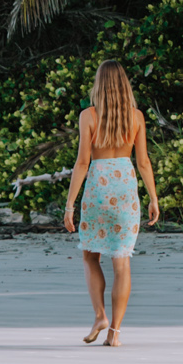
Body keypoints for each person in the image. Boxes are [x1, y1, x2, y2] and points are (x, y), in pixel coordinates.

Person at [63, 60, 159, 345]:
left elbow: (82, 163)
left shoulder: (88, 116)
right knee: (122, 263)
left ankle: (100, 315)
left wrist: (70, 205)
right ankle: (115, 334)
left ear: (99, 85)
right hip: (126, 191)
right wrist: (153, 197)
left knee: (91, 256)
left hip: (98, 190)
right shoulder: (137, 117)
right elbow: (143, 161)